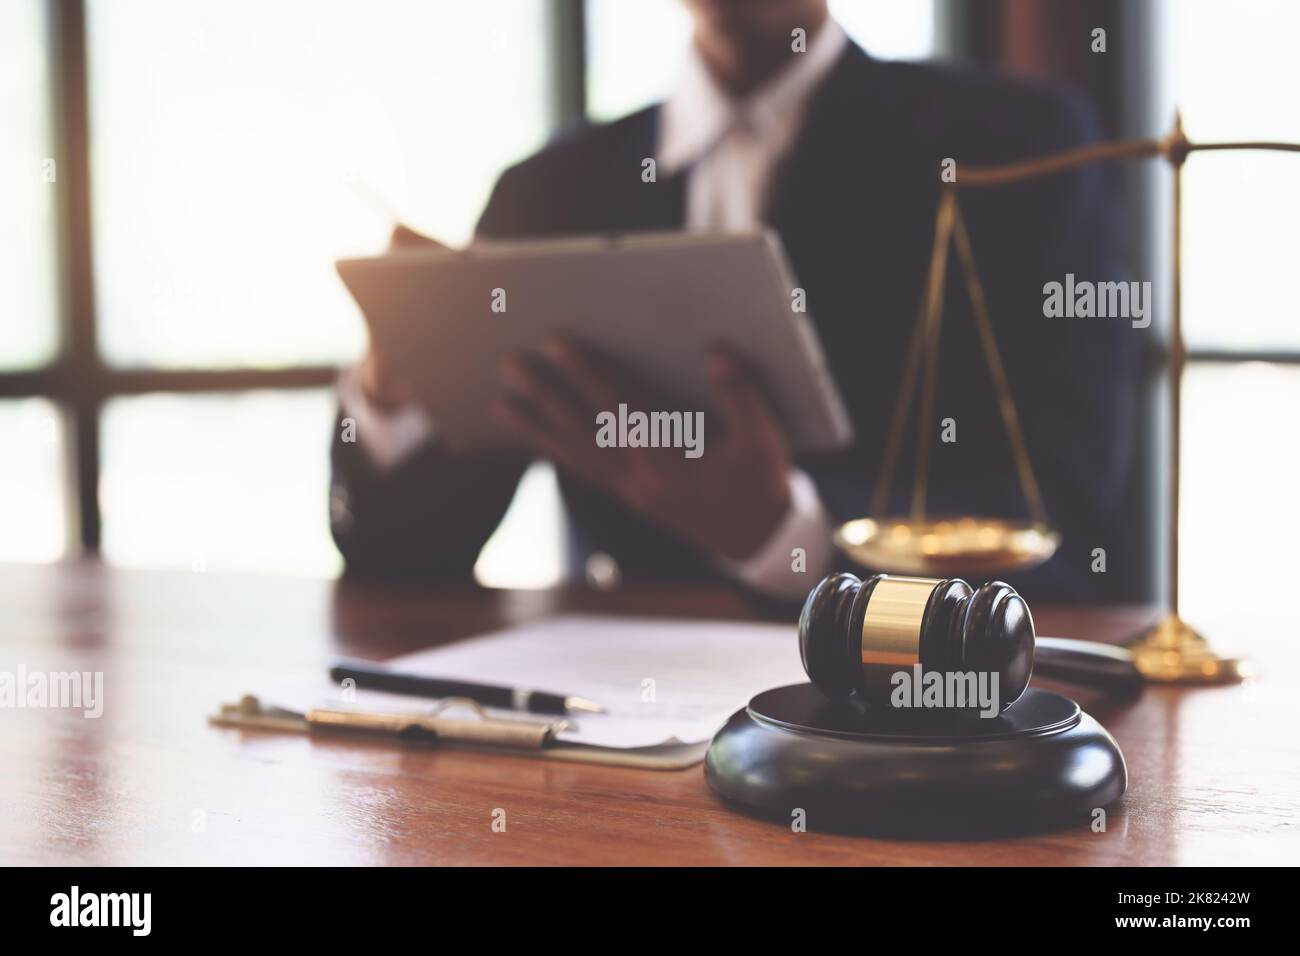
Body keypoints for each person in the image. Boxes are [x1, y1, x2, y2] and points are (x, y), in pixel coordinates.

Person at [329, 0, 1137, 604]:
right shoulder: (548, 191)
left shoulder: (1016, 146)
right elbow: (399, 559)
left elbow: (1071, 533)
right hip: (606, 745)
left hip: (897, 724)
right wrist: (396, 386)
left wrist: (787, 534)